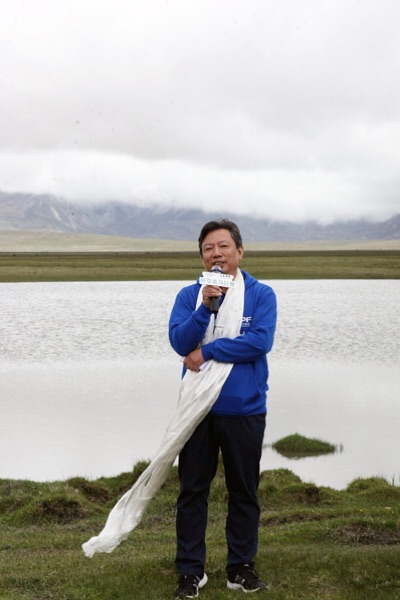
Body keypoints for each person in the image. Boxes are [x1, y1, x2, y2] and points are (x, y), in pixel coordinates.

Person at [168, 219, 277, 598]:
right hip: (197, 410)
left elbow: (258, 343)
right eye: (208, 249)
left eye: (223, 247)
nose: (216, 254)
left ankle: (240, 568)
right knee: (192, 491)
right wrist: (203, 308)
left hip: (243, 410)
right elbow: (180, 342)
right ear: (201, 257)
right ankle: (190, 572)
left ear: (239, 252)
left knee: (243, 491)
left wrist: (209, 350)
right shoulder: (190, 295)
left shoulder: (261, 295)